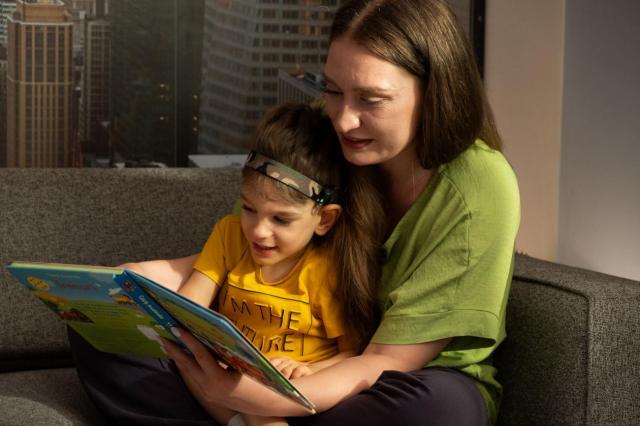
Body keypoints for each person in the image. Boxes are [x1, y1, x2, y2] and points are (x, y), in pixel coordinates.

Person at [69, 0, 520, 425]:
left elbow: (384, 361)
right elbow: (243, 249)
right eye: (333, 90)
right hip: (264, 367)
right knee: (98, 327)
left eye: (371, 99)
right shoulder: (318, 134)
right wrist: (136, 284)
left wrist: (248, 398)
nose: (344, 119)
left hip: (384, 380)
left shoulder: (478, 185)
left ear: (435, 93)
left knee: (436, 409)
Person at [173, 102, 384, 426]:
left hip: (297, 393)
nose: (258, 231)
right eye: (249, 209)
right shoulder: (229, 235)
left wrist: (309, 369)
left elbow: (352, 354)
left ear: (324, 220)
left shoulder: (325, 270)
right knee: (182, 361)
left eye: (281, 220)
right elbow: (190, 308)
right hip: (232, 378)